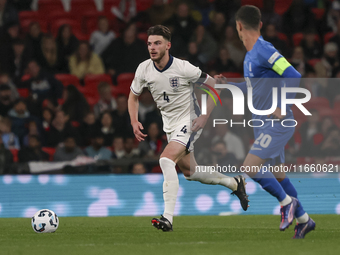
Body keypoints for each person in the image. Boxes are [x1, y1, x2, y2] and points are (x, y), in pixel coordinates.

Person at [128, 25, 248, 232]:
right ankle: (235, 183)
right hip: (170, 126)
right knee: (190, 172)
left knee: (165, 159)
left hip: (190, 121)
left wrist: (204, 116)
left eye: (157, 43)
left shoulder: (184, 68)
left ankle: (167, 218)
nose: (152, 48)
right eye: (149, 44)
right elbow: (133, 96)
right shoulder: (143, 69)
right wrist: (133, 121)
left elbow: (213, 85)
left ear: (168, 45)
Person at [223, 5, 315, 239]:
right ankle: (304, 220)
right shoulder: (251, 56)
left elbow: (293, 74)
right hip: (263, 124)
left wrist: (283, 106)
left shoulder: (264, 50)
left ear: (239, 26)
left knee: (249, 167)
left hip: (276, 123)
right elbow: (252, 89)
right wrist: (225, 86)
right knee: (279, 175)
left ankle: (286, 204)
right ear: (261, 24)